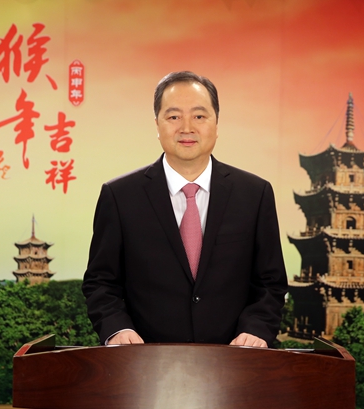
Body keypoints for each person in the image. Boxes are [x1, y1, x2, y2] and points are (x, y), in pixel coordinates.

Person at [82, 71, 288, 348]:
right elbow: (100, 282)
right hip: (145, 360)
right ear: (157, 124)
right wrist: (117, 330)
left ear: (216, 123)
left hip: (235, 358)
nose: (187, 128)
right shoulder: (120, 196)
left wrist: (257, 329)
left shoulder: (254, 194)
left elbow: (271, 282)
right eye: (174, 117)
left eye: (199, 116)